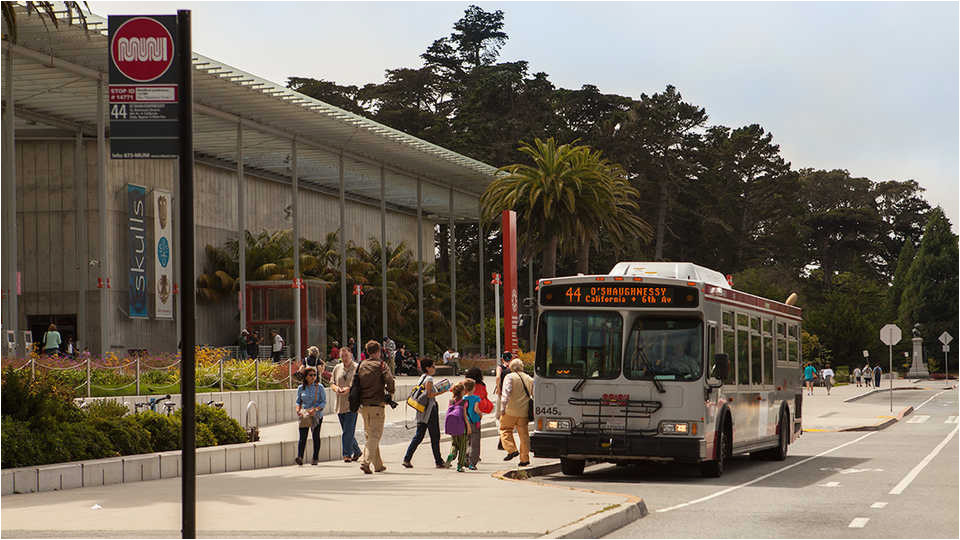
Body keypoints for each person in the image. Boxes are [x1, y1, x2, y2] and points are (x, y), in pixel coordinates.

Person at [402, 358, 450, 469]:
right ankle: (438, 461)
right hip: (429, 411)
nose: (434, 368)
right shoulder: (429, 378)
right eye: (433, 366)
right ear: (428, 368)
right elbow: (429, 395)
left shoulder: (422, 378)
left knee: (419, 436)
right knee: (435, 436)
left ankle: (407, 458)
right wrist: (443, 391)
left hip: (421, 410)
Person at [356, 340, 395, 474]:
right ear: (378, 351)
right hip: (377, 405)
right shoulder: (381, 365)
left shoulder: (361, 365)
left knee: (370, 435)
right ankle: (365, 462)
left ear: (367, 351)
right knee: (375, 435)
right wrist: (390, 392)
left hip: (363, 406)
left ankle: (378, 465)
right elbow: (390, 380)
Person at [330, 349, 362, 462]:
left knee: (347, 431)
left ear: (351, 355)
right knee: (347, 431)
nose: (344, 358)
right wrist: (336, 389)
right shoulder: (337, 368)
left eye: (346, 356)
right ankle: (357, 451)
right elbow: (332, 383)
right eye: (342, 356)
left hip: (352, 403)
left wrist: (350, 389)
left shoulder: (357, 367)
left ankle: (346, 454)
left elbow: (360, 384)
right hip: (340, 403)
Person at [500, 358, 533, 466]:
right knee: (524, 436)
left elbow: (506, 394)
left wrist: (502, 409)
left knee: (505, 430)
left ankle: (512, 449)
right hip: (524, 412)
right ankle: (524, 459)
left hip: (510, 410)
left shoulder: (509, 377)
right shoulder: (529, 378)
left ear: (511, 367)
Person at [295, 366, 326, 465]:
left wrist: (316, 409)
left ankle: (315, 457)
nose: (313, 377)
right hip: (305, 414)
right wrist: (298, 410)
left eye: (314, 375)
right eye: (310, 375)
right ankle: (300, 457)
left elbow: (323, 402)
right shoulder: (301, 388)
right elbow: (298, 401)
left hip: (316, 415)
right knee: (302, 436)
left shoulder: (319, 387)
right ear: (305, 376)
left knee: (315, 436)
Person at [444, 382, 472, 472]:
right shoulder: (464, 402)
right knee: (463, 447)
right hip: (461, 427)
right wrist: (468, 427)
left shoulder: (451, 401)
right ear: (462, 392)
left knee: (454, 444)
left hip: (453, 427)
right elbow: (464, 416)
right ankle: (460, 466)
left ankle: (451, 455)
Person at [461, 377, 483, 469]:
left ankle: (465, 459)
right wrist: (480, 415)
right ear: (474, 388)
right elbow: (476, 409)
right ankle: (472, 462)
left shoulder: (462, 398)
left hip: (465, 422)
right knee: (475, 443)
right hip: (474, 422)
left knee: (466, 441)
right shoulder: (476, 398)